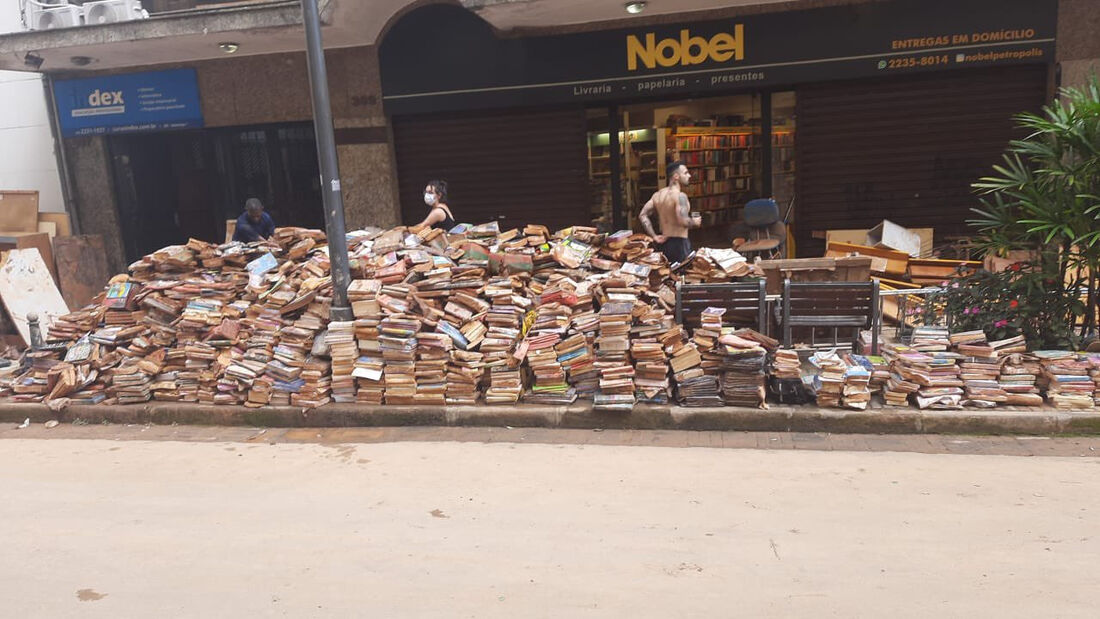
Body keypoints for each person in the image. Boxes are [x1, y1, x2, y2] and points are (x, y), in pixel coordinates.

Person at [639, 160, 702, 264]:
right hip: (679, 244)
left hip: (663, 243)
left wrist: (654, 236)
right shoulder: (680, 196)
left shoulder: (658, 195)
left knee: (667, 275)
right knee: (681, 275)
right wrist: (695, 222)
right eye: (686, 173)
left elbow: (642, 215)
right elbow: (683, 221)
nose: (689, 175)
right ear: (676, 176)